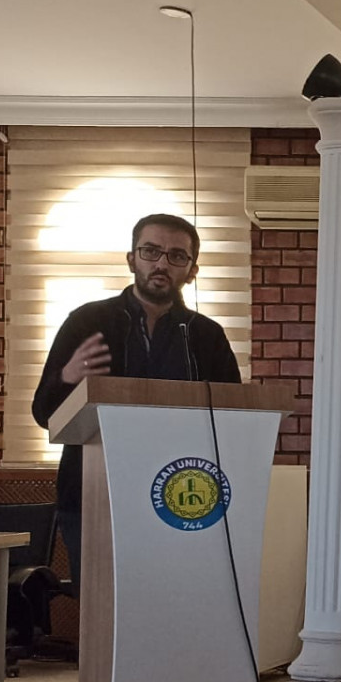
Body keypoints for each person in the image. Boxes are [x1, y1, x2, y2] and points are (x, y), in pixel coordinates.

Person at [31, 213, 241, 580]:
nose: (162, 263)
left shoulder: (205, 335)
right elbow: (44, 413)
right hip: (93, 494)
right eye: (151, 251)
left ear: (192, 271)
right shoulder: (87, 322)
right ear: (132, 259)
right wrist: (67, 378)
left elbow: (233, 418)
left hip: (180, 495)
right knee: (101, 602)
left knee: (173, 597)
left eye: (177, 256)